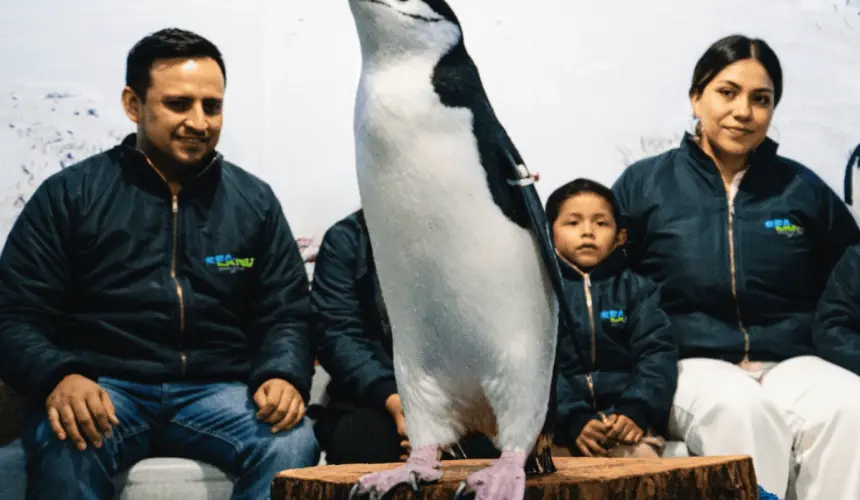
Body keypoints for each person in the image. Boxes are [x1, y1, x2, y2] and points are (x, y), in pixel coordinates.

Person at [0, 28, 319, 500]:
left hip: (219, 391)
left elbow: (287, 312)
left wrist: (281, 373)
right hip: (105, 389)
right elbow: (14, 314)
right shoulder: (70, 196)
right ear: (134, 104)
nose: (200, 121)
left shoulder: (254, 201)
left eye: (212, 105)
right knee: (66, 439)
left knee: (293, 442)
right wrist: (60, 376)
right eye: (178, 104)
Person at [611, 33, 860, 499]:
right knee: (739, 408)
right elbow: (604, 286)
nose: (743, 112)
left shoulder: (801, 189)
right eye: (727, 92)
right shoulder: (645, 185)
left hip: (792, 357)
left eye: (760, 99)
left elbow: (850, 280)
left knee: (851, 405)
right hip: (689, 361)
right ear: (696, 97)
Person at [309, 209, 500, 464]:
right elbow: (338, 334)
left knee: (488, 454)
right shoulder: (348, 239)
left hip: (457, 398)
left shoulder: (469, 239)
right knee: (364, 447)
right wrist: (395, 400)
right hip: (372, 398)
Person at [545, 178, 677, 459]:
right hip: (558, 428)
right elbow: (537, 365)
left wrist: (635, 410)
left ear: (621, 236)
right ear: (549, 232)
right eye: (573, 223)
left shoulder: (639, 291)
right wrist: (571, 419)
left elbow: (656, 354)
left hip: (624, 426)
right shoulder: (539, 293)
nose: (588, 232)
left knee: (641, 466)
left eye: (601, 223)